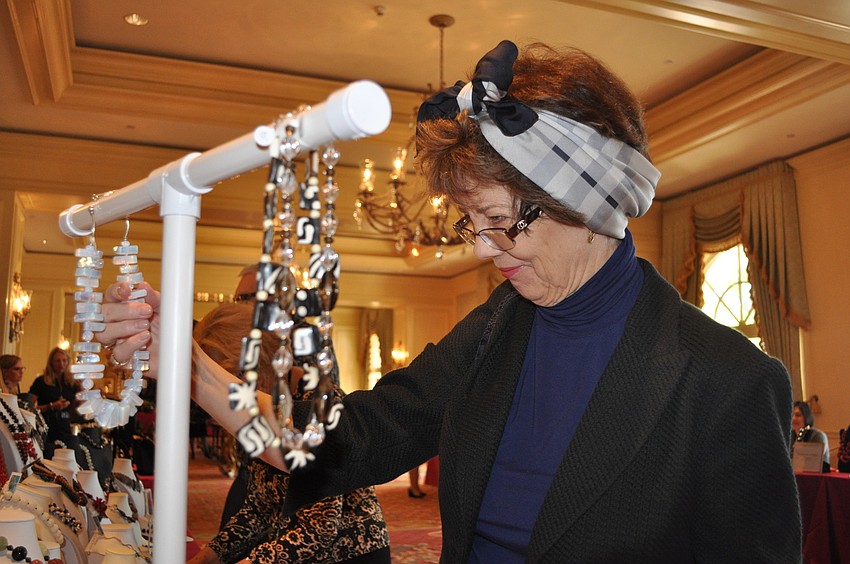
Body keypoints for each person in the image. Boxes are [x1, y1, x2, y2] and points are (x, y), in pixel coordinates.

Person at [97, 40, 802, 562]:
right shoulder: (499, 327)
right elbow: (341, 445)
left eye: (503, 222)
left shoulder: (729, 382)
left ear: (587, 203)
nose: (485, 249)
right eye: (475, 223)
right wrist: (185, 365)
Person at [188, 303, 390, 564]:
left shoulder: (318, 401)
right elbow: (260, 509)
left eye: (235, 380)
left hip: (352, 554)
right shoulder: (266, 407)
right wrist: (209, 555)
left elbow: (322, 525)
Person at [28, 347, 78, 457]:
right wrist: (51, 406)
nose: (61, 364)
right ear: (51, 362)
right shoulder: (41, 381)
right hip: (46, 426)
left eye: (64, 360)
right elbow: (28, 407)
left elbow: (78, 407)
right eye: (58, 360)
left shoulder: (71, 383)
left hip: (64, 426)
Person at [791, 400, 830, 468]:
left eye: (798, 415)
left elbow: (811, 462)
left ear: (807, 417)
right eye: (792, 415)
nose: (793, 418)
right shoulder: (790, 435)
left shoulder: (818, 436)